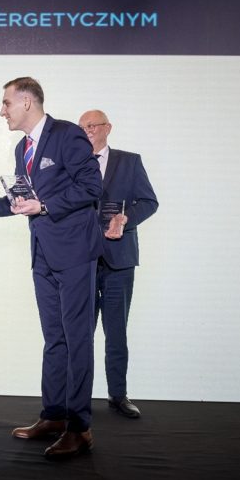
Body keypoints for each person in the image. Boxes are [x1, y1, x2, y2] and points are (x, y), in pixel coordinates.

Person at [0, 77, 103, 459]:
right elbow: (24, 200)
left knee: (77, 339)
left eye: (6, 103)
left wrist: (46, 206)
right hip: (42, 255)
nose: (2, 111)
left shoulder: (67, 134)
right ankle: (53, 416)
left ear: (27, 102)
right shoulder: (23, 148)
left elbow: (92, 186)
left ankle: (79, 427)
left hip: (75, 253)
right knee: (54, 338)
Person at [79, 109, 158, 419]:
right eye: (82, 127)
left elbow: (149, 202)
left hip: (119, 259)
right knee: (80, 333)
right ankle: (78, 395)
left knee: (116, 332)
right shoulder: (72, 164)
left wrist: (126, 219)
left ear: (107, 128)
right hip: (81, 261)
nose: (87, 131)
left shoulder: (129, 161)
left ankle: (118, 394)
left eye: (92, 125)